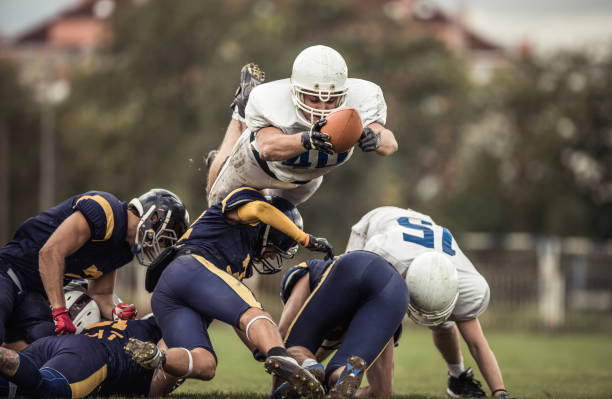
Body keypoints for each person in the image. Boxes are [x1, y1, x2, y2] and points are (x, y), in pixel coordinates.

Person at [124, 186, 333, 398]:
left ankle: (156, 363)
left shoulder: (242, 257)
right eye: (275, 248)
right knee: (256, 312)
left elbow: (237, 320)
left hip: (166, 291)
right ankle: (285, 361)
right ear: (270, 230)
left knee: (204, 364)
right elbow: (260, 209)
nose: (272, 257)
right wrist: (304, 239)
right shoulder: (242, 211)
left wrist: (259, 348)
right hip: (192, 267)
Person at [345, 206, 516, 399]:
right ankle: (319, 368)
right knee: (353, 310)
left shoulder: (462, 282)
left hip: (420, 230)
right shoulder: (383, 256)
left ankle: (458, 378)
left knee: (444, 323)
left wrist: (500, 392)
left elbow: (477, 344)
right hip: (376, 222)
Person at [206, 45, 398, 206]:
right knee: (219, 209)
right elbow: (268, 149)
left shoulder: (360, 101)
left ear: (344, 95)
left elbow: (391, 144)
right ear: (296, 92)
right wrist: (306, 139)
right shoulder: (274, 103)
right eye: (314, 99)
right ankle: (241, 113)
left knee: (273, 232)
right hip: (257, 165)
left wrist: (376, 139)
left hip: (307, 178)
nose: (323, 107)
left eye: (332, 99)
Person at [0, 188, 189, 345]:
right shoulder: (105, 211)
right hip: (8, 271)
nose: (161, 245)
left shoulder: (123, 250)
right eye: (164, 238)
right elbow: (49, 253)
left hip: (33, 294)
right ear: (153, 217)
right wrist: (59, 310)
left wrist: (116, 311)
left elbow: (101, 294)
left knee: (42, 341)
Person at [272, 250, 409, 399]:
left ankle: (309, 364)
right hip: (397, 293)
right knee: (350, 376)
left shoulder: (308, 272)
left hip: (355, 266)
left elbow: (283, 334)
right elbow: (383, 391)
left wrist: (276, 389)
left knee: (293, 348)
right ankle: (344, 374)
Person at [0, 316, 179, 398]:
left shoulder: (131, 324)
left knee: (12, 388)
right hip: (92, 354)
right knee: (50, 390)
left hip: (56, 344)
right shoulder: (174, 329)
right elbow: (174, 343)